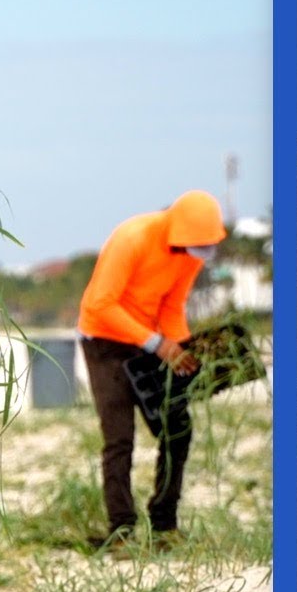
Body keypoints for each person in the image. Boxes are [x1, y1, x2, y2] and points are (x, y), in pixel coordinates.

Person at [77, 190, 227, 554]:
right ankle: (121, 531)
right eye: (198, 245)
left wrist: (183, 351)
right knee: (119, 438)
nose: (202, 252)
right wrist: (158, 344)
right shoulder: (133, 238)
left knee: (178, 430)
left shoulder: (189, 253)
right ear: (178, 232)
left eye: (208, 246)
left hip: (150, 342)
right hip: (104, 341)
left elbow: (172, 306)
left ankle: (164, 524)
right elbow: (101, 303)